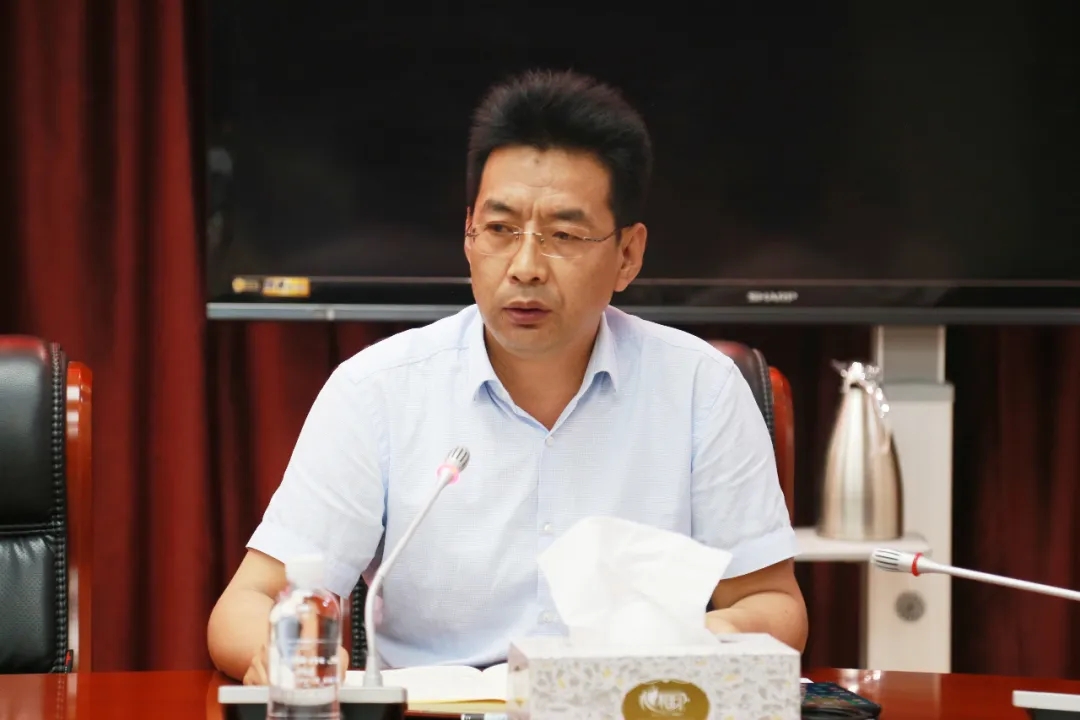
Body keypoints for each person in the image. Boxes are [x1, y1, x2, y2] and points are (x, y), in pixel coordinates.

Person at [207, 68, 808, 684]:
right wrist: (290, 655)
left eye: (564, 234)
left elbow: (771, 603)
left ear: (627, 255)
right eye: (500, 230)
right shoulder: (377, 391)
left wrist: (684, 643)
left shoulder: (702, 389)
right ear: (468, 236)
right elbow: (246, 604)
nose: (525, 267)